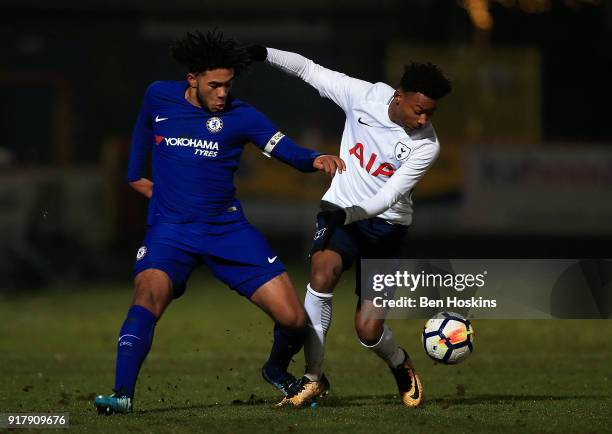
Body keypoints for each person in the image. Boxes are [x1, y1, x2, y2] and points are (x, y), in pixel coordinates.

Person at [94, 30, 345, 415]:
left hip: (227, 231)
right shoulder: (158, 95)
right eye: (215, 85)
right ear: (191, 79)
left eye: (228, 85)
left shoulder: (242, 116)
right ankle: (123, 394)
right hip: (171, 231)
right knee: (146, 296)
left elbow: (285, 150)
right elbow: (143, 130)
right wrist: (134, 176)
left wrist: (314, 159)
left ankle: (276, 368)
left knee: (294, 319)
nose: (223, 93)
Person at [247, 45, 452, 407]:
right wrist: (263, 53)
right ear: (399, 96)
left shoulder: (427, 145)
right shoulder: (363, 96)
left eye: (429, 114)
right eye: (419, 111)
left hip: (386, 228)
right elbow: (308, 70)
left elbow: (390, 196)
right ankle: (313, 377)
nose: (422, 121)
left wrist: (351, 214)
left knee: (368, 330)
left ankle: (399, 362)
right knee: (322, 275)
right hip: (340, 208)